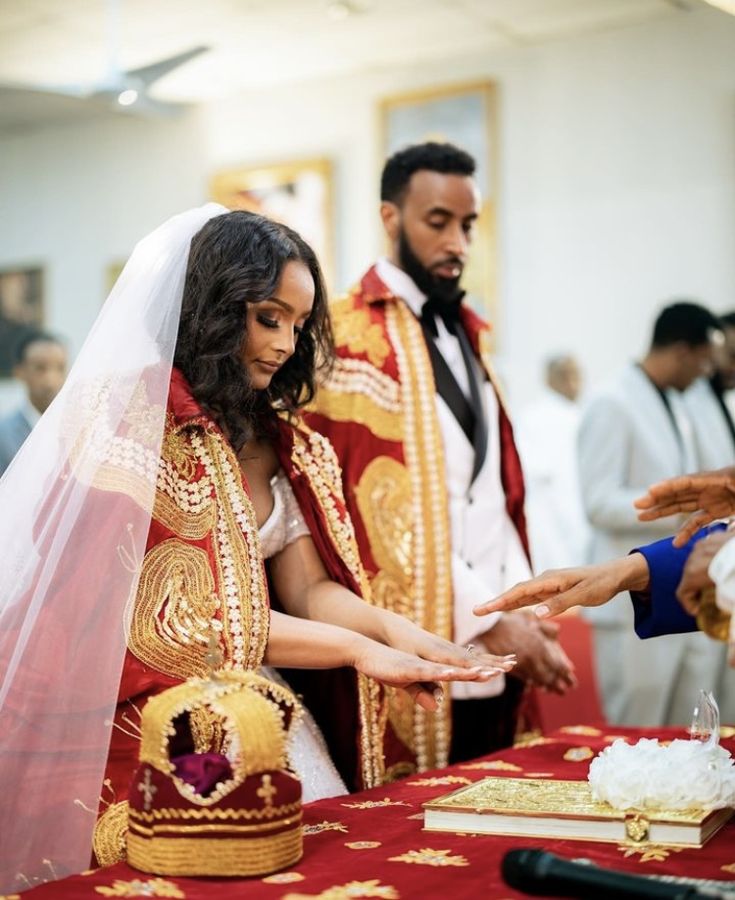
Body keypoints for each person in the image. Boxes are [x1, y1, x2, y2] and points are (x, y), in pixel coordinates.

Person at [0, 206, 514, 894]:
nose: (283, 343)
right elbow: (177, 625)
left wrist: (399, 632)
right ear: (212, 308)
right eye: (268, 318)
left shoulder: (286, 440)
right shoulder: (128, 430)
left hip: (255, 693)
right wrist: (358, 651)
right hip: (144, 714)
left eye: (298, 325)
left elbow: (305, 592)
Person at [304, 141, 575, 776]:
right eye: (438, 222)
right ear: (391, 218)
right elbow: (367, 517)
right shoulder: (344, 340)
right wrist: (489, 618)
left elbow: (496, 493)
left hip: (495, 641)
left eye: (468, 224)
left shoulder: (472, 334)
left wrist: (523, 610)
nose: (457, 242)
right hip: (417, 641)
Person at [577, 300, 724, 726]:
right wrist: (683, 506)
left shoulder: (677, 403)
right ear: (681, 350)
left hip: (678, 583)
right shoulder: (611, 401)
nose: (706, 372)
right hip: (628, 600)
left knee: (686, 729)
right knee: (637, 728)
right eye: (702, 361)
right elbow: (598, 501)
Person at [515, 355, 590, 572]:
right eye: (565, 376)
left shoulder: (581, 416)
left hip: (577, 520)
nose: (573, 383)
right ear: (549, 379)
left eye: (576, 376)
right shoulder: (531, 418)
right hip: (547, 522)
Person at [0, 330, 67, 474]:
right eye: (40, 369)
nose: (51, 380)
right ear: (19, 372)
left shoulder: (78, 431)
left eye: (60, 368)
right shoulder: (3, 434)